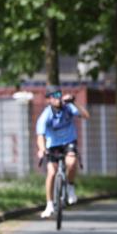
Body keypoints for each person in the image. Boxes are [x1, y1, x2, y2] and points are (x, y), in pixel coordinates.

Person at [35, 85, 89, 218]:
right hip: (52, 145)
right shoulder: (46, 115)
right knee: (52, 172)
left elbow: (85, 115)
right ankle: (49, 205)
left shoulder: (68, 108)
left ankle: (70, 187)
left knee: (71, 162)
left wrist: (74, 102)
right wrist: (42, 150)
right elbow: (40, 136)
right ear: (48, 100)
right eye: (55, 96)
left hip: (69, 142)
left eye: (60, 95)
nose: (59, 98)